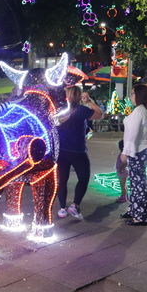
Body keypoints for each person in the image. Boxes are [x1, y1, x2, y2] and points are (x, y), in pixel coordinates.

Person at [56, 86, 103, 220]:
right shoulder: (82, 110)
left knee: (62, 180)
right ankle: (75, 205)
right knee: (83, 178)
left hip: (62, 150)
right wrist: (88, 101)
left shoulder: (60, 110)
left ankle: (62, 208)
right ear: (78, 96)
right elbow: (99, 114)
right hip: (78, 150)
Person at [120, 84, 147, 226]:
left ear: (140, 95)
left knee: (138, 184)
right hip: (143, 149)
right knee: (136, 183)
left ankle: (140, 216)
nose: (131, 96)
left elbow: (132, 135)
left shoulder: (140, 111)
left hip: (137, 151)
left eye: (133, 94)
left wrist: (125, 153)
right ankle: (135, 210)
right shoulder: (146, 110)